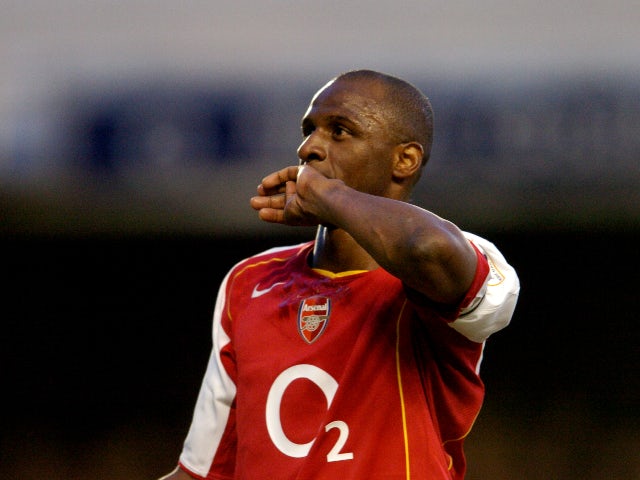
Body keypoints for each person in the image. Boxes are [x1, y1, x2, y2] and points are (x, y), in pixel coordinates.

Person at [159, 69, 519, 480]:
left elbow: (424, 248)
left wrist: (328, 195)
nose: (309, 147)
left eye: (340, 131)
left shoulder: (454, 263)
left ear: (404, 159)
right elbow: (201, 473)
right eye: (309, 129)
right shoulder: (250, 282)